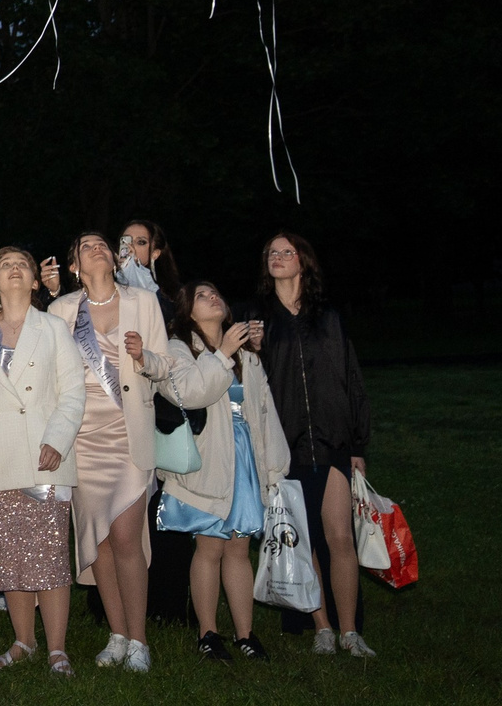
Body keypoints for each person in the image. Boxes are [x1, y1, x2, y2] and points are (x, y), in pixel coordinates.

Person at [0, 247, 87, 674]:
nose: (13, 269)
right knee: (7, 555)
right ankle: (24, 641)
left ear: (33, 282)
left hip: (45, 454)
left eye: (21, 266)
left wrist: (59, 439)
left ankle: (57, 648)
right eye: (4, 265)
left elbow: (73, 391)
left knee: (48, 554)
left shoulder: (53, 329)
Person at [46, 230, 175, 673]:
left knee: (125, 537)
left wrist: (144, 359)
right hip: (82, 439)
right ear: (74, 267)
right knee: (96, 539)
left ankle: (139, 640)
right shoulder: (60, 310)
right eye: (86, 246)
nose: (97, 248)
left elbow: (165, 366)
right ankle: (117, 634)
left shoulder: (143, 302)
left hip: (127, 434)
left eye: (103, 244)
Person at [253, 231, 376, 657]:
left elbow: (351, 378)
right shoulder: (260, 320)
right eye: (273, 253)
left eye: (287, 252)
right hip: (285, 446)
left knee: (340, 536)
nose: (279, 257)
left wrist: (357, 444)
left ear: (303, 261)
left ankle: (349, 631)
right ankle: (320, 626)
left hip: (333, 441)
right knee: (302, 539)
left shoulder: (329, 317)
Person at [160, 280, 288, 661]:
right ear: (187, 311)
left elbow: (265, 411)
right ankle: (207, 633)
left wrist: (276, 467)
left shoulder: (246, 354)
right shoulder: (179, 349)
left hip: (245, 457)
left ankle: (246, 634)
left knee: (238, 548)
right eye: (202, 295)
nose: (214, 296)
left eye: (217, 292)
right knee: (210, 545)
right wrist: (223, 353)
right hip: (209, 457)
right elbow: (191, 392)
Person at [119, 219, 182, 308]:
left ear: (155, 254)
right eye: (125, 241)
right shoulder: (109, 279)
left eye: (141, 242)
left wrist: (134, 270)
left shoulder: (172, 294)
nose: (130, 246)